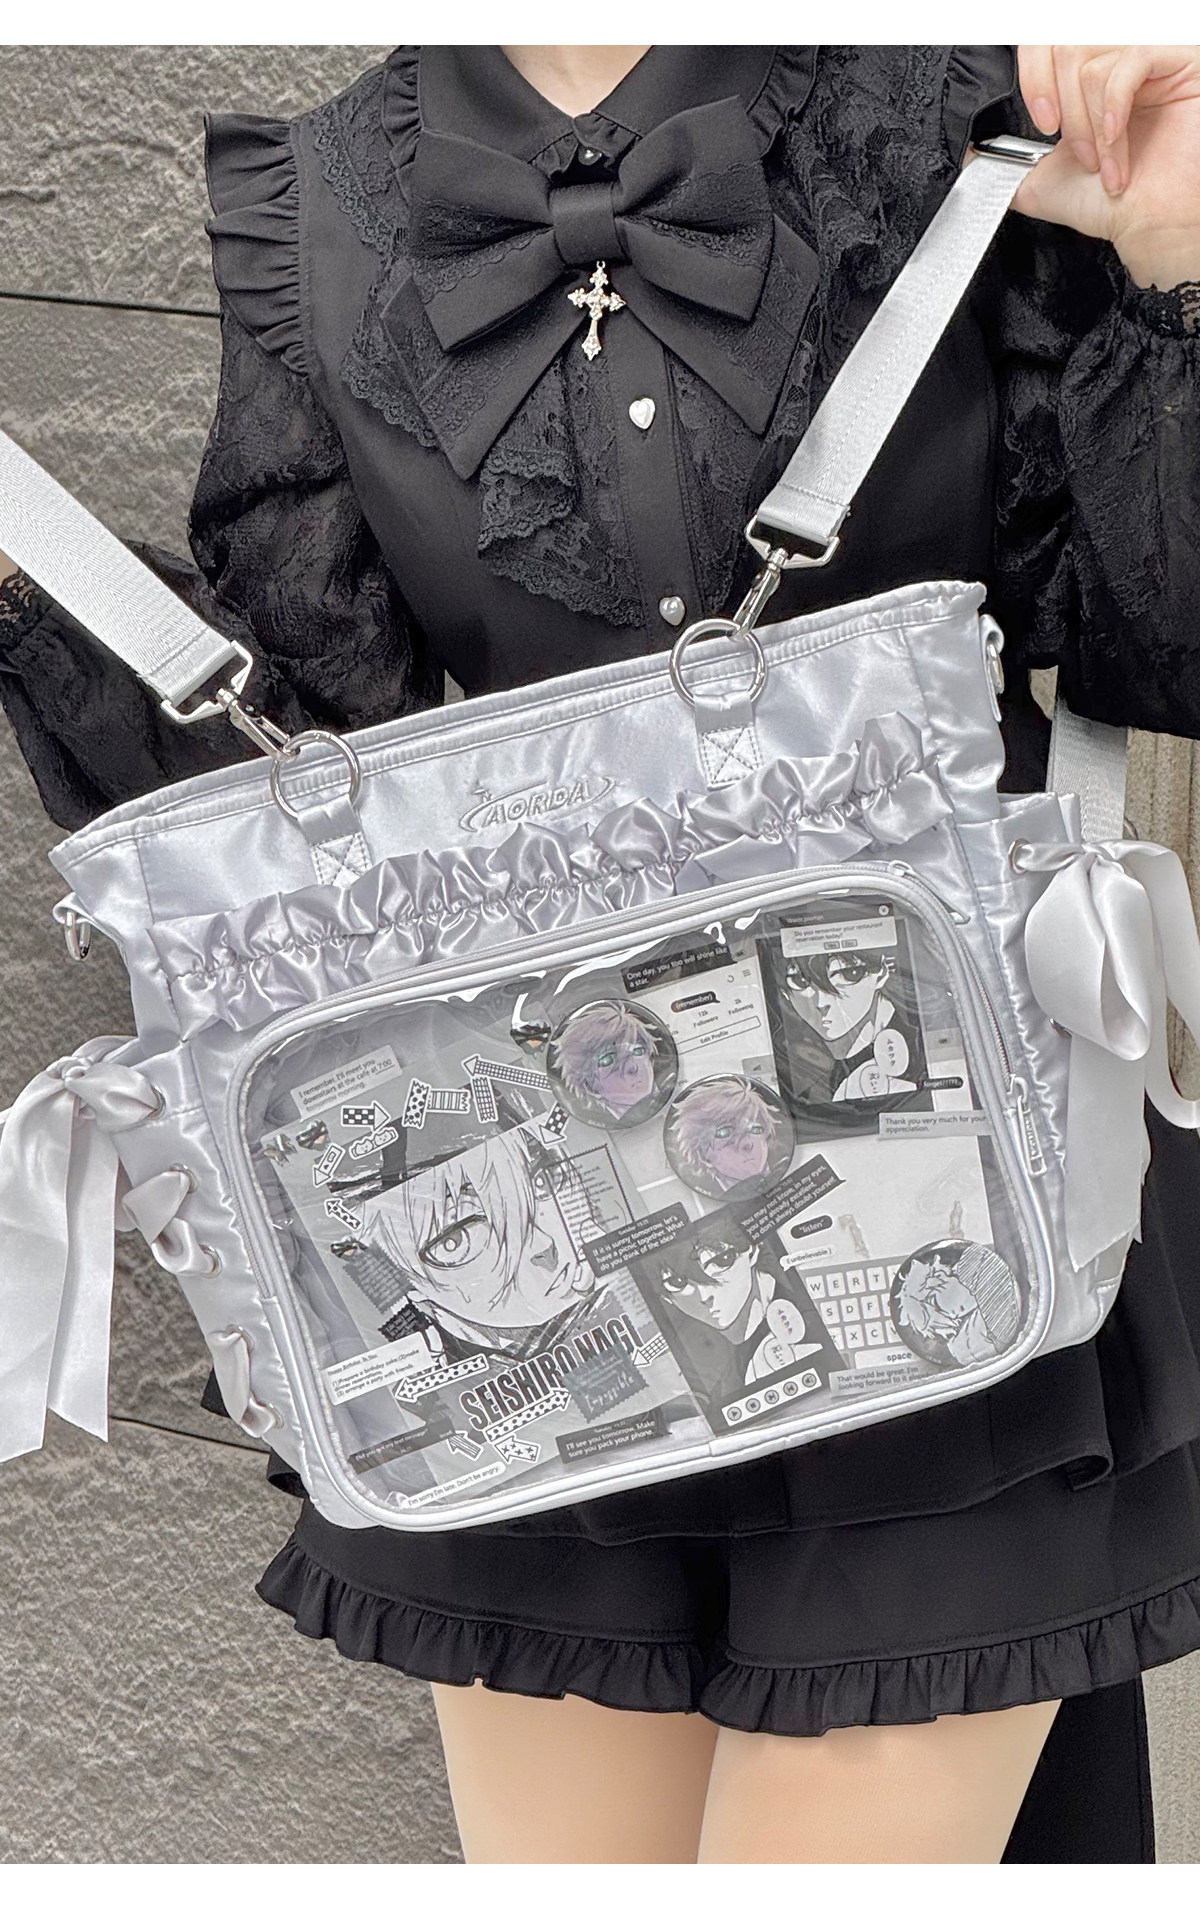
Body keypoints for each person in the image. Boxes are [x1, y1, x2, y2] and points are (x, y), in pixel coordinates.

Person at [1, 42, 1197, 1866]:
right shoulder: (320, 199)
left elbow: (1161, 648)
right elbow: (305, 791)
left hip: (949, 1204)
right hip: (535, 1294)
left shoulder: (978, 109)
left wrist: (1173, 257)